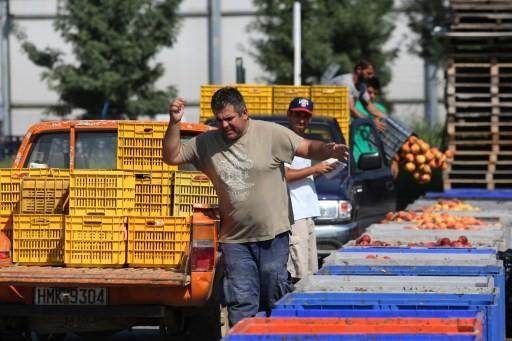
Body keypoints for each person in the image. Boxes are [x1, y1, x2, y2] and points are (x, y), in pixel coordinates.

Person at [162, 87, 348, 327]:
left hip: (274, 236)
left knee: (274, 294)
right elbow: (172, 156)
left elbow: (307, 147)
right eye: (220, 120)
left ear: (244, 113)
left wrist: (329, 149)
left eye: (230, 118)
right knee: (241, 301)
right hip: (235, 241)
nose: (225, 125)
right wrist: (174, 123)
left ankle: (278, 333)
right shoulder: (206, 143)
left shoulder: (270, 134)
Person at [285, 97, 335, 283]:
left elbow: (302, 176)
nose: (301, 120)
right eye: (298, 115)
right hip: (294, 213)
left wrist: (322, 171)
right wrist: (315, 169)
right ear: (289, 115)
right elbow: (284, 175)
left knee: (309, 269)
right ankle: (290, 307)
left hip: (307, 212)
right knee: (297, 271)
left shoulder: (303, 142)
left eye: (305, 117)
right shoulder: (284, 141)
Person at [354, 77, 399, 178]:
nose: (372, 96)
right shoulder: (354, 108)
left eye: (375, 93)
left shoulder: (379, 109)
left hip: (377, 163)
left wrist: (395, 160)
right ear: (363, 91)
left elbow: (387, 137)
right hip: (357, 161)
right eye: (369, 92)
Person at [335, 60, 386, 131]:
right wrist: (371, 122)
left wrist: (385, 117)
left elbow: (368, 104)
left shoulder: (362, 85)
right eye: (368, 73)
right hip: (327, 119)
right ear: (359, 70)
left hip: (341, 121)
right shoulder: (346, 82)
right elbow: (350, 109)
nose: (371, 77)